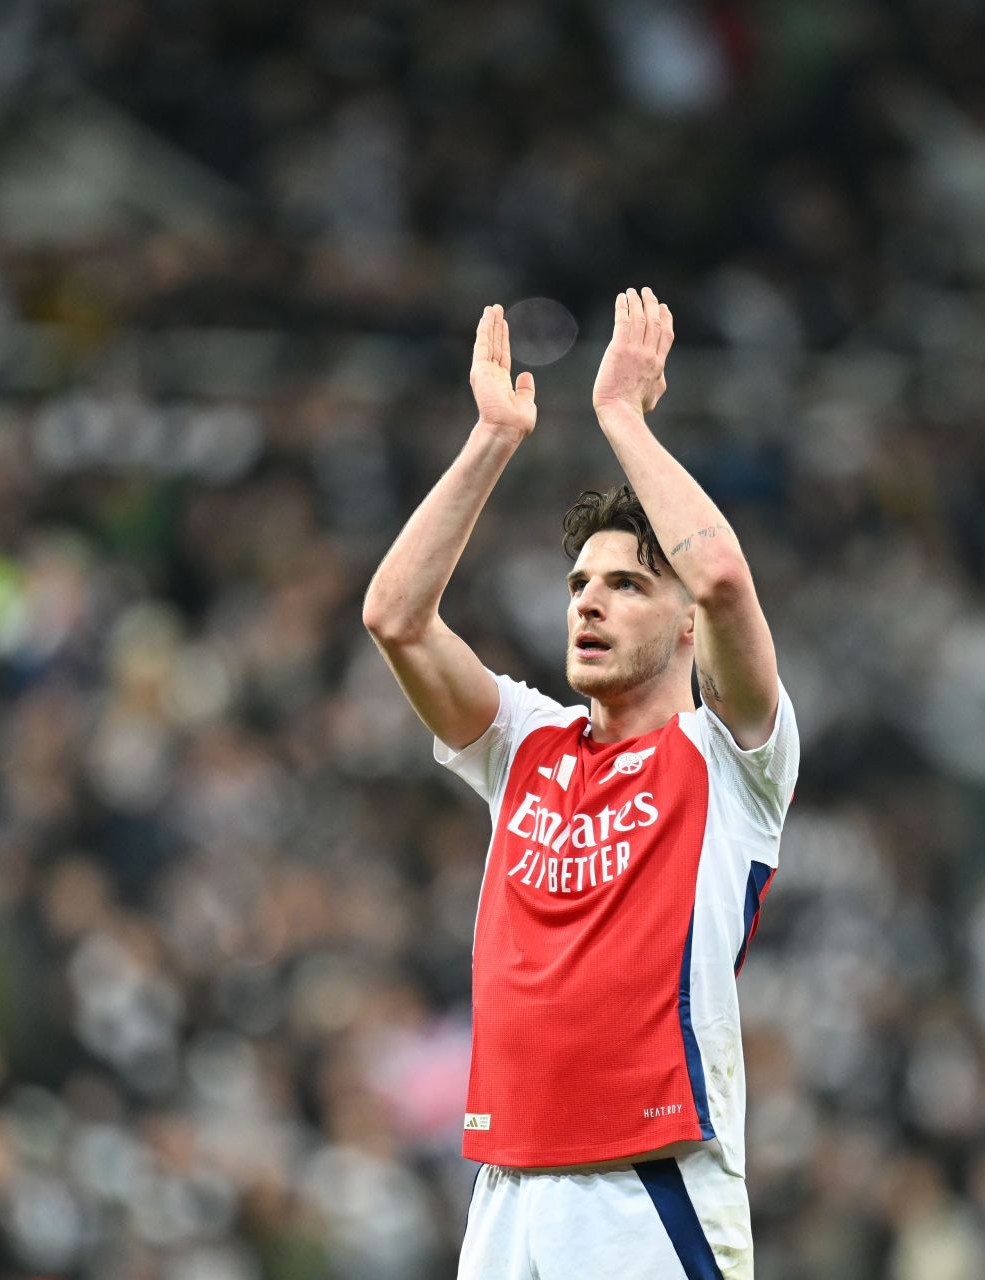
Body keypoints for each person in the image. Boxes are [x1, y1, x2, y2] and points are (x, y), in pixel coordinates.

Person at [362, 289, 800, 1278]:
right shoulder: (526, 741)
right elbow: (395, 614)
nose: (589, 601)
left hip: (647, 1187)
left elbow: (724, 575)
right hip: (506, 1186)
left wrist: (622, 419)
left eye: (628, 583)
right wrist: (492, 439)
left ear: (685, 626)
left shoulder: (731, 753)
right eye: (578, 585)